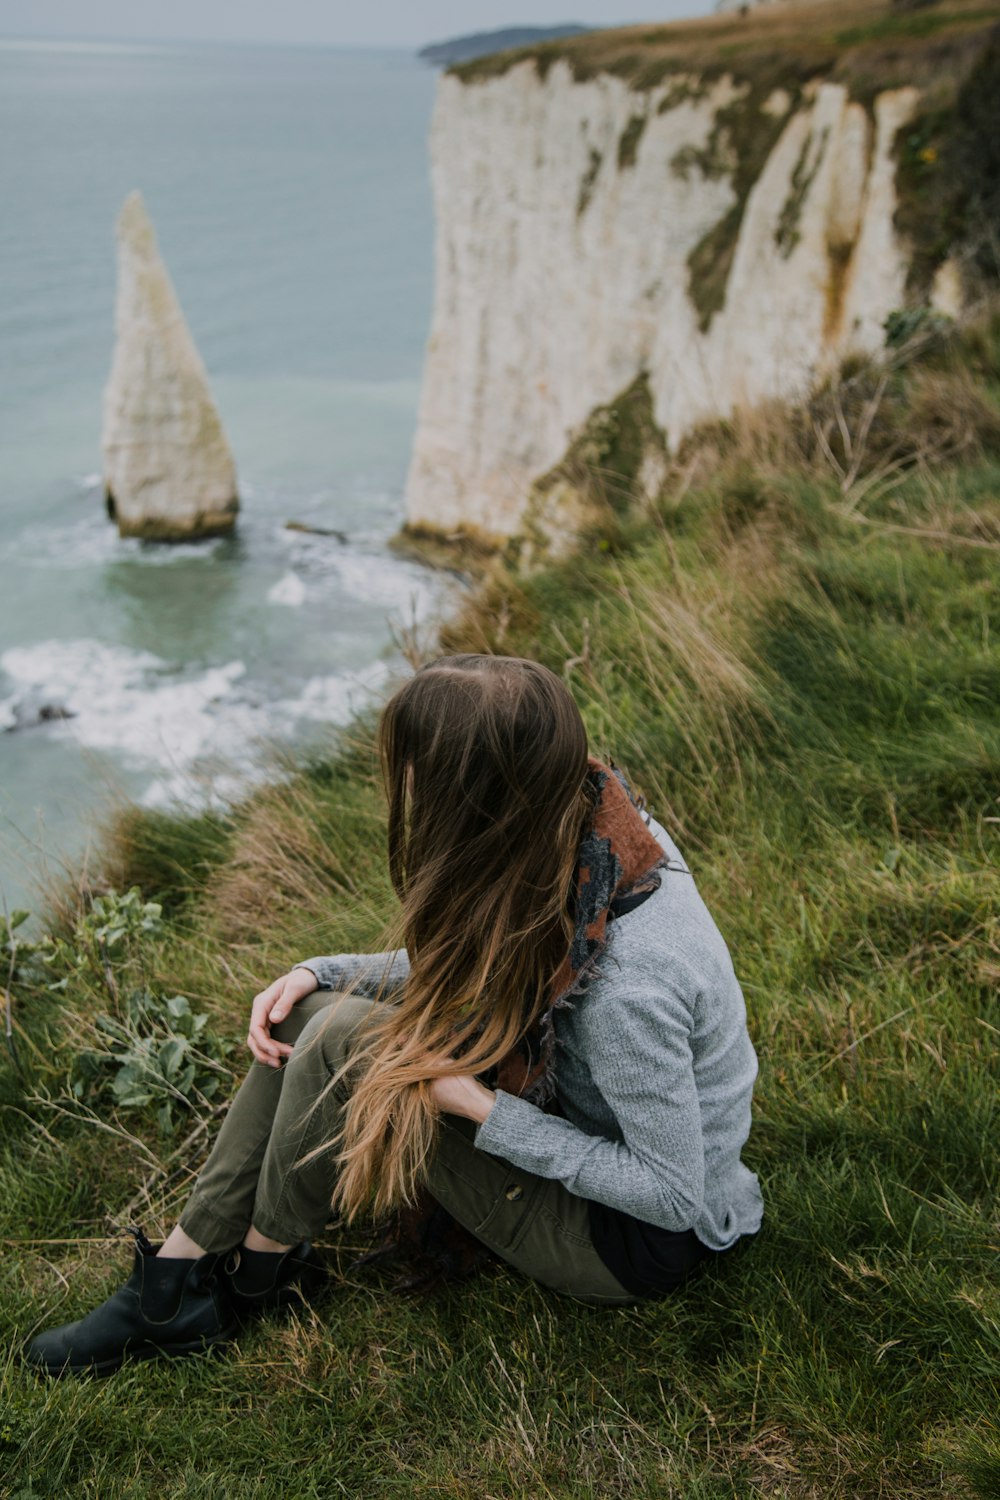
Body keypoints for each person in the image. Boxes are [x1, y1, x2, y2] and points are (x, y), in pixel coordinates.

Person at [25, 654, 763, 1377]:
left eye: (419, 768)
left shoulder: (623, 989)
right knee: (305, 1014)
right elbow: (506, 962)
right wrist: (321, 972)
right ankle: (177, 1278)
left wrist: (479, 1108)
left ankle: (256, 1275)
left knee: (346, 1038)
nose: (404, 785)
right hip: (585, 1134)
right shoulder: (590, 830)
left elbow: (672, 1195)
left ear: (476, 793)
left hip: (627, 1241)